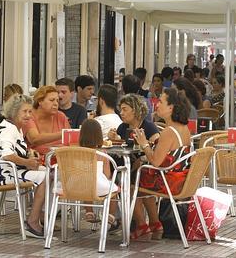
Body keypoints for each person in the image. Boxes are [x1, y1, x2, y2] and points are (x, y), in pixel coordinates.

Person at [132, 88, 192, 240]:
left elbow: (155, 161)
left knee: (129, 185)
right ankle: (154, 224)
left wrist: (144, 144)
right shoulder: (183, 128)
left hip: (170, 183)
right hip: (182, 180)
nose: (156, 105)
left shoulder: (169, 131)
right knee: (140, 180)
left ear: (171, 108)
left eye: (160, 102)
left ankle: (142, 226)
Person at [0, 94, 47, 238]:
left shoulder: (15, 128)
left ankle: (40, 216)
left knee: (50, 172)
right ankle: (33, 221)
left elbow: (13, 153)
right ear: (14, 112)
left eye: (30, 111)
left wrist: (28, 156)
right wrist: (27, 162)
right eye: (24, 111)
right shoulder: (8, 129)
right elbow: (7, 155)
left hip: (8, 170)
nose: (28, 115)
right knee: (46, 176)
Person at [78, 119, 119, 227]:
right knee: (113, 190)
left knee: (86, 184)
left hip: (76, 186)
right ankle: (110, 215)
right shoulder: (102, 153)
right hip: (99, 187)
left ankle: (89, 212)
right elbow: (107, 175)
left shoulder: (76, 151)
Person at [24, 85, 70, 156]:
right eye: (51, 100)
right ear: (40, 101)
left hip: (61, 159)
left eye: (57, 101)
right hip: (37, 160)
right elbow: (34, 139)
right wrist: (63, 134)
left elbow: (70, 141)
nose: (55, 104)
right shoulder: (29, 116)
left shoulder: (61, 116)